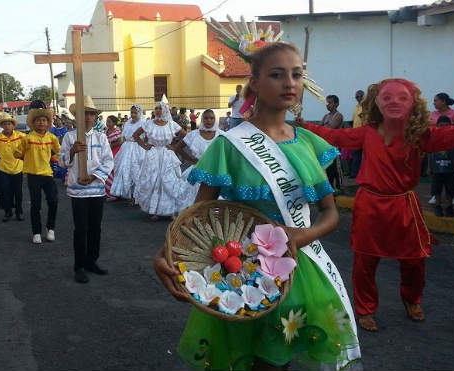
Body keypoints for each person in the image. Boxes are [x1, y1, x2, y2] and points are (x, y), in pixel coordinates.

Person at [154, 42, 360, 370]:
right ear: (255, 82)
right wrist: (167, 254)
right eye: (277, 75)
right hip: (242, 271)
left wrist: (300, 236)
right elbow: (196, 217)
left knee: (281, 359)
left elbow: (330, 212)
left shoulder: (308, 143)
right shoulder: (229, 146)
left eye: (297, 75)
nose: (290, 83)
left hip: (298, 267)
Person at [299, 78, 454, 331]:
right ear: (376, 102)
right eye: (387, 98)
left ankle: (412, 300)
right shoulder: (367, 132)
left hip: (404, 205)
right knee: (365, 261)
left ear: (413, 103)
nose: (394, 103)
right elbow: (335, 136)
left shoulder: (418, 135)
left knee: (414, 260)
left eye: (402, 98)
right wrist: (304, 126)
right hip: (370, 205)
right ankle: (365, 309)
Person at [60, 96, 114, 284]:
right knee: (80, 229)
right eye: (85, 114)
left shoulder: (101, 137)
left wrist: (93, 176)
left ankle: (92, 261)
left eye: (91, 114)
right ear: (77, 117)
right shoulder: (69, 137)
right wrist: (72, 151)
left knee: (95, 228)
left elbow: (108, 161)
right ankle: (79, 266)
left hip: (96, 189)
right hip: (78, 190)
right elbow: (61, 162)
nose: (89, 118)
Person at [14, 100, 60, 244]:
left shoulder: (52, 138)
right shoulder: (27, 138)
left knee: (53, 200)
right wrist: (28, 159)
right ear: (33, 123)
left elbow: (60, 152)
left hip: (47, 174)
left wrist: (54, 159)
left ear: (48, 123)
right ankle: (36, 232)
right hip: (33, 175)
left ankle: (50, 228)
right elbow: (17, 153)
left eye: (44, 120)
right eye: (38, 120)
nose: (41, 123)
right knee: (36, 204)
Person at [133, 101, 186, 221]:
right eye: (156, 108)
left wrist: (175, 146)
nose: (157, 110)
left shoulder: (171, 124)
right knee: (153, 181)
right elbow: (136, 135)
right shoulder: (149, 123)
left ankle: (171, 210)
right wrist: (145, 146)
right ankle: (155, 210)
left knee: (170, 181)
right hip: (153, 155)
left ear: (165, 110)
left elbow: (185, 135)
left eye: (160, 108)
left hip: (167, 155)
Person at [171, 109, 220, 212]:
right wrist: (190, 159)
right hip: (197, 169)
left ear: (215, 120)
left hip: (215, 170)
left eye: (211, 118)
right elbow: (178, 147)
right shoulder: (194, 134)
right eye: (206, 118)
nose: (209, 121)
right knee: (193, 198)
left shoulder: (221, 135)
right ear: (202, 120)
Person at [0, 113, 25, 222]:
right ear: (2, 126)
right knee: (5, 191)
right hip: (2, 168)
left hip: (17, 168)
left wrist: (24, 155)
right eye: (5, 124)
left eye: (9, 124)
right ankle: (8, 212)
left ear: (13, 125)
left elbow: (29, 144)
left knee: (18, 192)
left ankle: (19, 212)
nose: (7, 126)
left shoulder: (21, 136)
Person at [109, 104, 147, 205]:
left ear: (139, 113)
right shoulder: (128, 123)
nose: (133, 115)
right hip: (126, 147)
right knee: (124, 169)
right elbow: (123, 136)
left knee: (136, 171)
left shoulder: (143, 122)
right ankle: (126, 193)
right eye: (132, 113)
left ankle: (136, 196)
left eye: (135, 113)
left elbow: (146, 137)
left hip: (138, 148)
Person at [428, 116, 454, 217]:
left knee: (451, 188)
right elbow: (429, 152)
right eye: (441, 125)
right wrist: (429, 167)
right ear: (437, 126)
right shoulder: (434, 138)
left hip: (450, 169)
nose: (444, 127)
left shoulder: (453, 138)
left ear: (450, 126)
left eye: (446, 125)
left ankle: (449, 207)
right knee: (436, 189)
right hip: (437, 169)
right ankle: (437, 206)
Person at [321, 95, 344, 191]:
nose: (328, 105)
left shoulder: (338, 116)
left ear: (336, 104)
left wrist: (323, 128)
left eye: (330, 103)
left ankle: (339, 188)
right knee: (328, 168)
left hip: (334, 147)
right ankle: (330, 188)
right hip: (325, 146)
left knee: (335, 168)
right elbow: (320, 128)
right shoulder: (325, 116)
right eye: (327, 103)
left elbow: (330, 129)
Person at [104, 115, 123, 201]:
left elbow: (120, 142)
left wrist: (110, 146)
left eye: (109, 121)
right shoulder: (105, 131)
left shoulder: (117, 131)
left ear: (114, 123)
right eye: (107, 121)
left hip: (116, 152)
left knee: (112, 171)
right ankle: (109, 192)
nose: (107, 123)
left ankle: (114, 193)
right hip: (108, 153)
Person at [49, 115, 68, 182]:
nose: (57, 121)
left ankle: (63, 177)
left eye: (58, 120)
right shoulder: (52, 129)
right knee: (54, 162)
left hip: (63, 148)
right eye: (56, 121)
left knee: (63, 163)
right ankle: (54, 174)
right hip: (54, 150)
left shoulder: (65, 129)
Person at [350, 90, 365, 178]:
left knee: (364, 154)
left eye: (360, 96)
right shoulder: (356, 107)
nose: (359, 98)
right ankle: (355, 173)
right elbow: (354, 121)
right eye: (357, 97)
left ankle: (362, 173)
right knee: (356, 154)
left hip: (363, 133)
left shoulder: (365, 106)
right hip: (355, 134)